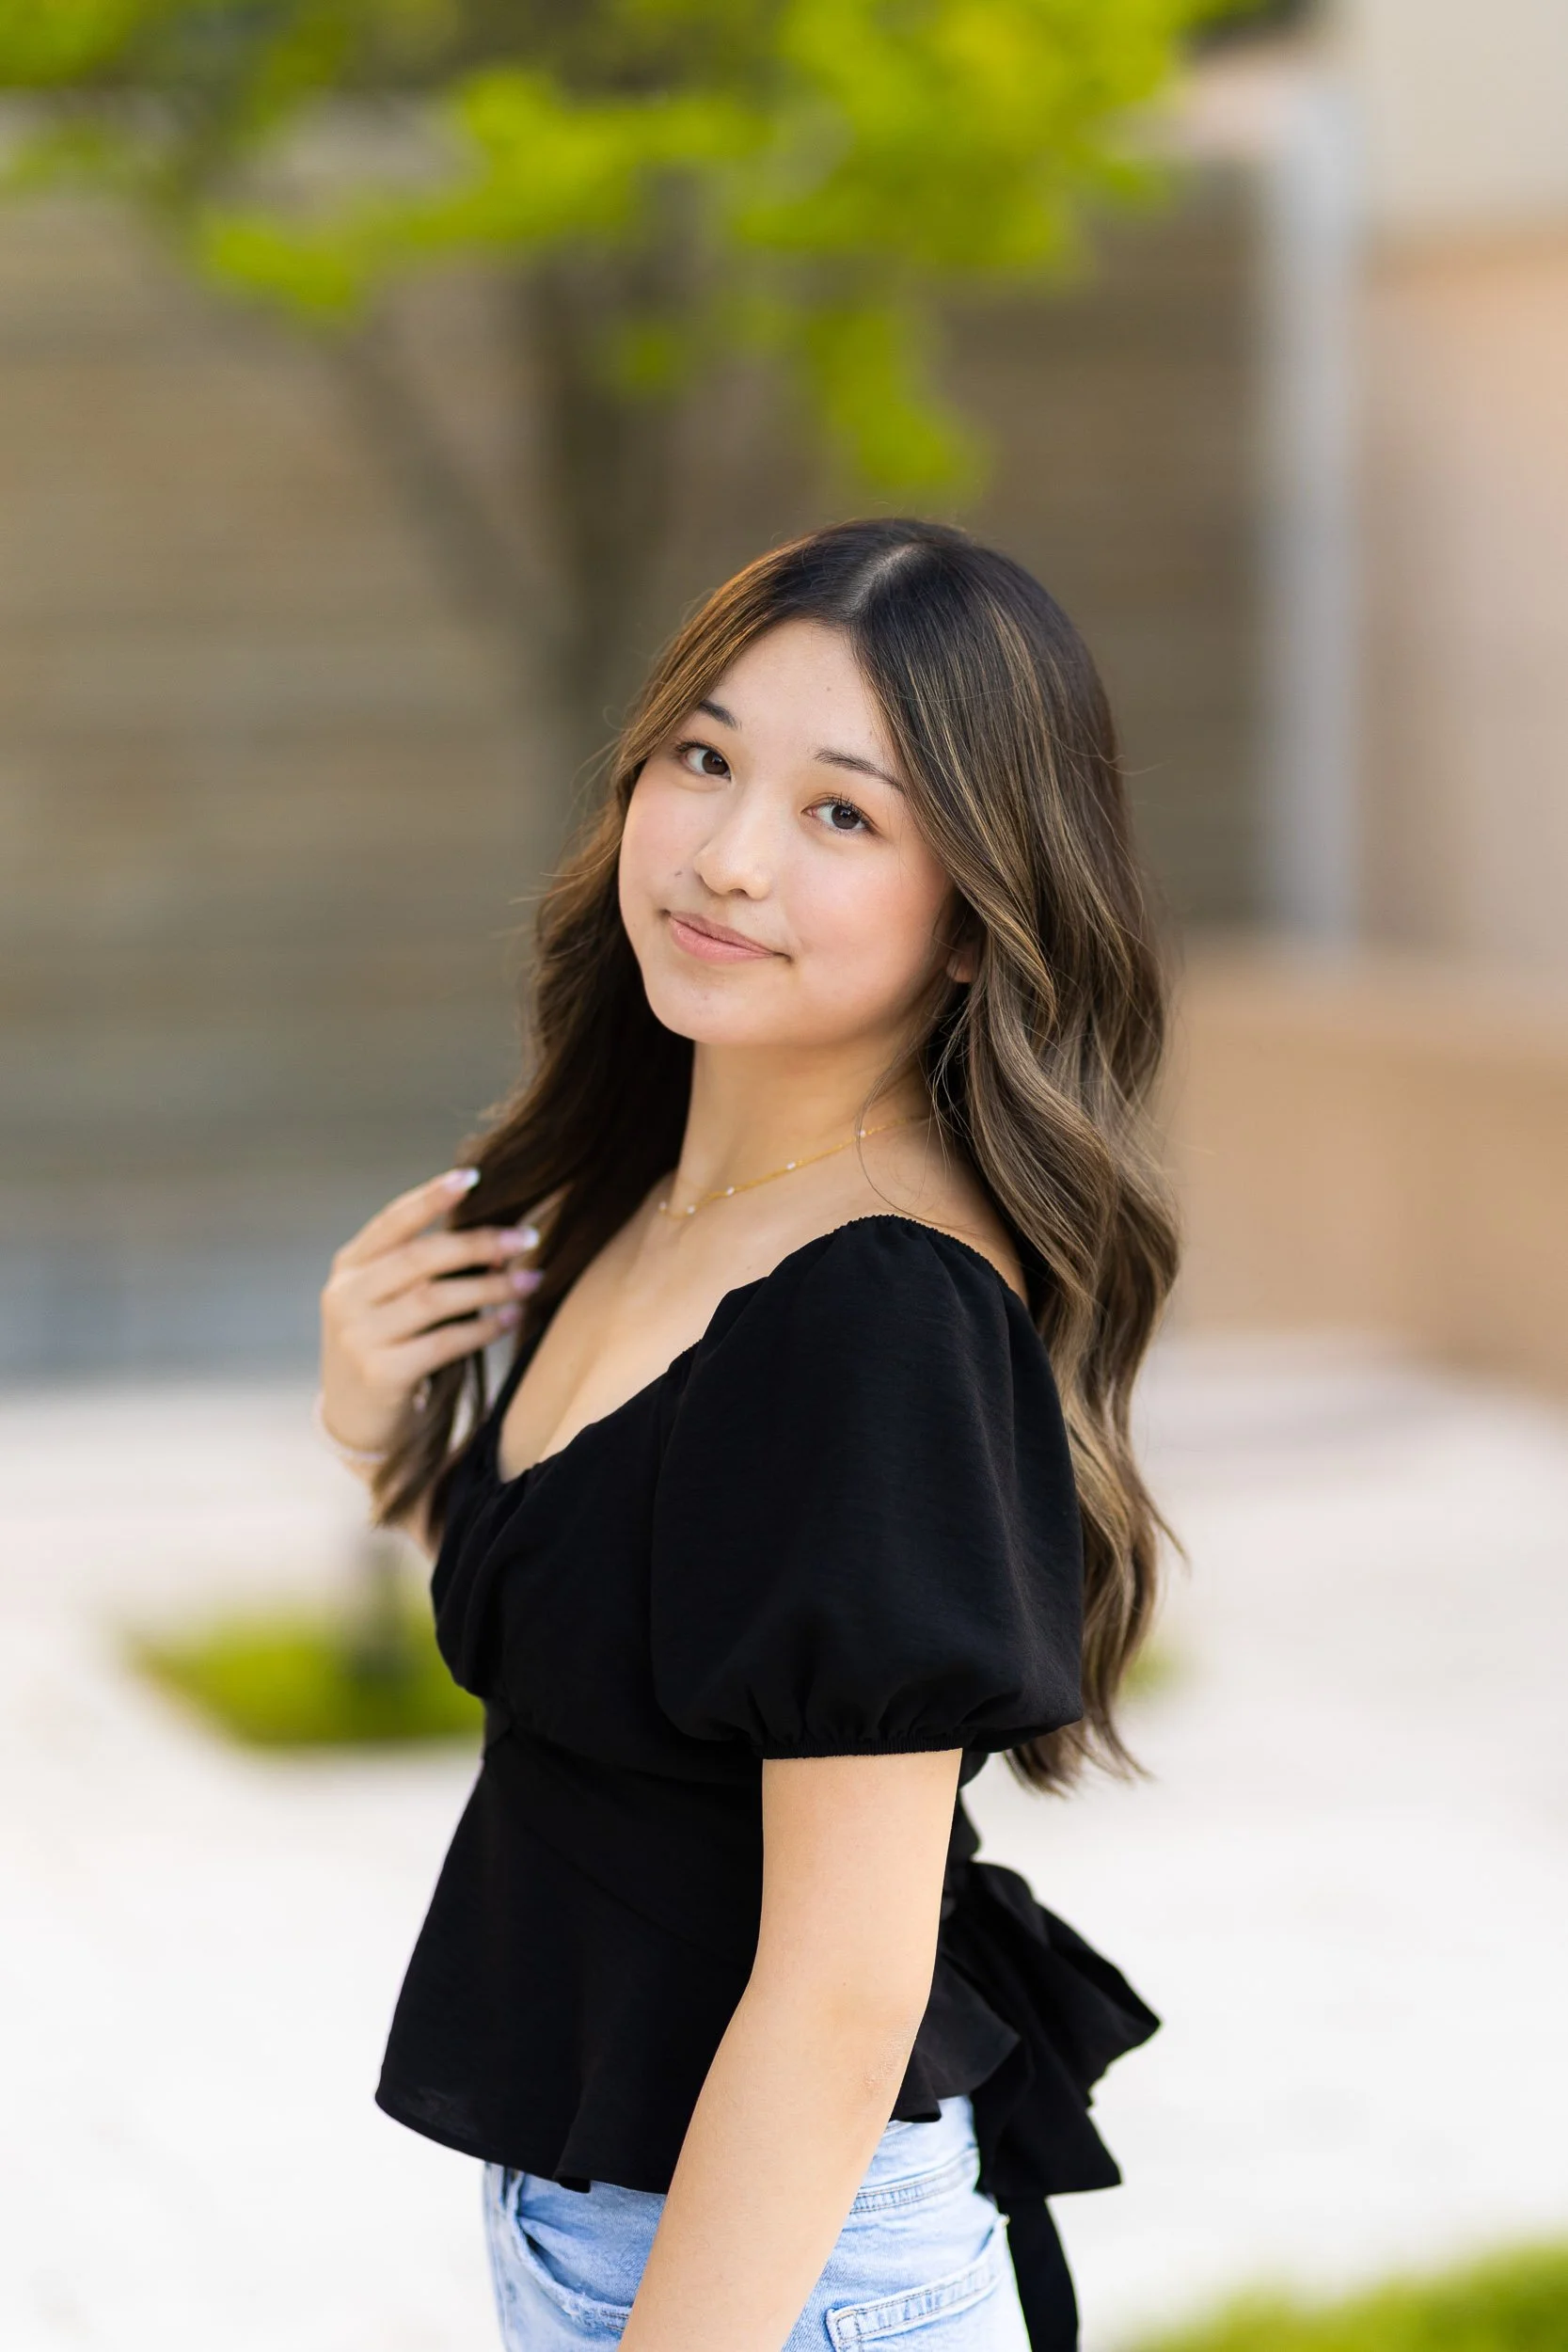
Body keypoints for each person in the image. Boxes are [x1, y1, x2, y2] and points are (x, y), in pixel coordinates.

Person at [315, 518, 1177, 2351]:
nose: (725, 854)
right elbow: (619, 1658)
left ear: (975, 921)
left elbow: (841, 1994)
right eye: (703, 759)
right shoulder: (641, 1195)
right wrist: (381, 1427)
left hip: (776, 2272)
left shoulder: (875, 1310)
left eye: (840, 813)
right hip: (635, 2221)